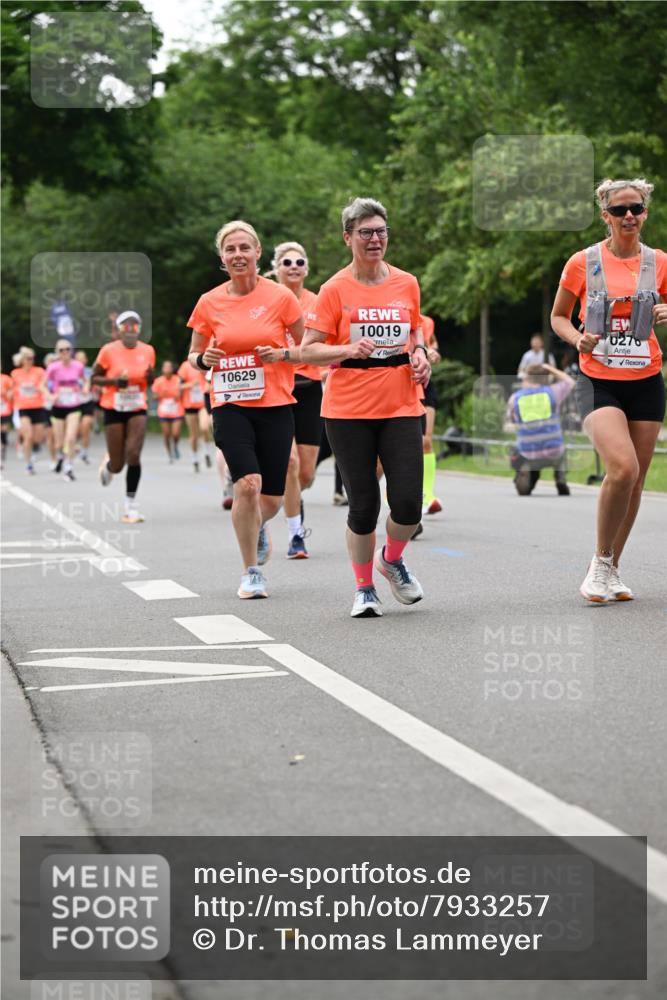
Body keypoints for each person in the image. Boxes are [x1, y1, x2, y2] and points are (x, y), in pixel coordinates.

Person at [301, 197, 431, 618]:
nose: (375, 239)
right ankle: (364, 589)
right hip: (348, 411)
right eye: (365, 233)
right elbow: (308, 349)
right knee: (363, 505)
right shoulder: (334, 289)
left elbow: (414, 334)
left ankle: (391, 560)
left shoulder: (407, 283)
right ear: (348, 238)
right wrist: (347, 349)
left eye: (380, 232)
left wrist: (420, 355)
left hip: (401, 405)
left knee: (409, 504)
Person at [551, 176, 666, 602]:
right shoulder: (583, 262)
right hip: (598, 379)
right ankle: (599, 564)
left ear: (645, 213)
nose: (629, 216)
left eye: (636, 208)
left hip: (646, 379)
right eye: (620, 210)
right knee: (622, 468)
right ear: (606, 216)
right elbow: (559, 316)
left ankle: (613, 569)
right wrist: (575, 338)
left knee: (635, 482)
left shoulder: (660, 262)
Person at [186, 220, 304, 599]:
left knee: (270, 499)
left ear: (257, 252)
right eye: (230, 249)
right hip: (230, 404)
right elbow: (192, 355)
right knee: (247, 484)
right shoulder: (209, 302)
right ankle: (251, 572)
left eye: (244, 248)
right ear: (222, 258)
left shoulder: (282, 297)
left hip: (275, 403)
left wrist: (282, 354)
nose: (238, 255)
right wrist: (203, 360)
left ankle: (258, 525)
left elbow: (306, 347)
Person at [269, 241, 320, 558]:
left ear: (306, 268)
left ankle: (280, 501)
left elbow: (333, 339)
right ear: (276, 268)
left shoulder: (317, 301)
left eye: (299, 262)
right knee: (289, 464)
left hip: (310, 387)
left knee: (305, 474)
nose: (293, 267)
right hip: (277, 386)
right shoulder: (266, 299)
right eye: (286, 262)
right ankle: (295, 534)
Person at [91, 310, 155, 523]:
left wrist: (151, 378)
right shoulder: (108, 350)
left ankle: (130, 506)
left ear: (139, 329)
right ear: (119, 330)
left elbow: (150, 380)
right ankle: (109, 465)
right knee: (119, 464)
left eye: (134, 326)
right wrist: (114, 382)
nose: (130, 330)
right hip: (113, 406)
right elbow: (94, 378)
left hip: (137, 405)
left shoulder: (148, 350)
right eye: (126, 326)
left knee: (134, 455)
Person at [506, 363, 574, 496]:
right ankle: (560, 477)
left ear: (527, 378)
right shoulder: (552, 392)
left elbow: (512, 420)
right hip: (554, 451)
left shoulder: (515, 398)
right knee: (562, 450)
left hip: (528, 453)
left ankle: (526, 475)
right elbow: (570, 382)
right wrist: (551, 369)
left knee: (516, 451)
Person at [42, 340, 86, 481]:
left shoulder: (78, 366)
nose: (65, 352)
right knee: (59, 443)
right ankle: (61, 456)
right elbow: (42, 385)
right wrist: (50, 395)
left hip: (74, 405)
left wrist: (85, 389)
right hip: (58, 406)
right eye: (61, 350)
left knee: (71, 437)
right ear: (57, 352)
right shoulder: (53, 367)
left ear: (71, 351)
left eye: (67, 349)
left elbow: (86, 380)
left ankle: (69, 467)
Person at [419, 313, 443, 516]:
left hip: (424, 385)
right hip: (399, 385)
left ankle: (427, 496)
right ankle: (391, 494)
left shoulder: (426, 322)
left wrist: (434, 354)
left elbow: (433, 345)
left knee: (426, 442)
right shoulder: (389, 314)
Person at [10, 347, 48, 474]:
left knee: (37, 438)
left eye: (32, 358)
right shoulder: (15, 373)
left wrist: (42, 390)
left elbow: (44, 385)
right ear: (22, 360)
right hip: (23, 407)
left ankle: (33, 446)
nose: (30, 361)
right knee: (28, 436)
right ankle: (28, 464)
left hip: (38, 406)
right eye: (28, 358)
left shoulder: (39, 371)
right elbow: (12, 388)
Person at [177, 357, 212, 473]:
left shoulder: (205, 361)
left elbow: (211, 378)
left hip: (203, 404)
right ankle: (195, 459)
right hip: (189, 405)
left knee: (204, 427)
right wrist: (191, 384)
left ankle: (207, 452)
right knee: (194, 435)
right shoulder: (185, 366)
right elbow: (179, 386)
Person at [152, 360, 185, 463]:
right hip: (164, 411)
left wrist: (178, 395)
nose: (167, 369)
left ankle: (175, 446)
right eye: (165, 367)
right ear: (162, 369)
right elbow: (154, 397)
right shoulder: (158, 381)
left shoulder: (178, 379)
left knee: (175, 433)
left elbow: (182, 393)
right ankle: (169, 454)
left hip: (176, 410)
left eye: (169, 367)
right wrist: (161, 394)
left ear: (172, 369)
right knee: (166, 434)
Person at [75, 350, 95, 463]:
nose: (80, 361)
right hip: (75, 403)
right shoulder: (70, 370)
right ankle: (74, 446)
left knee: (86, 426)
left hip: (87, 402)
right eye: (78, 358)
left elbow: (94, 384)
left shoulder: (90, 372)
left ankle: (85, 451)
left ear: (86, 360)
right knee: (77, 429)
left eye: (82, 358)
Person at [1, 366, 13, 469]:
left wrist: (6, 393)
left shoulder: (6, 378)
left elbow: (11, 391)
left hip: (4, 409)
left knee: (4, 431)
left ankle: (3, 447)